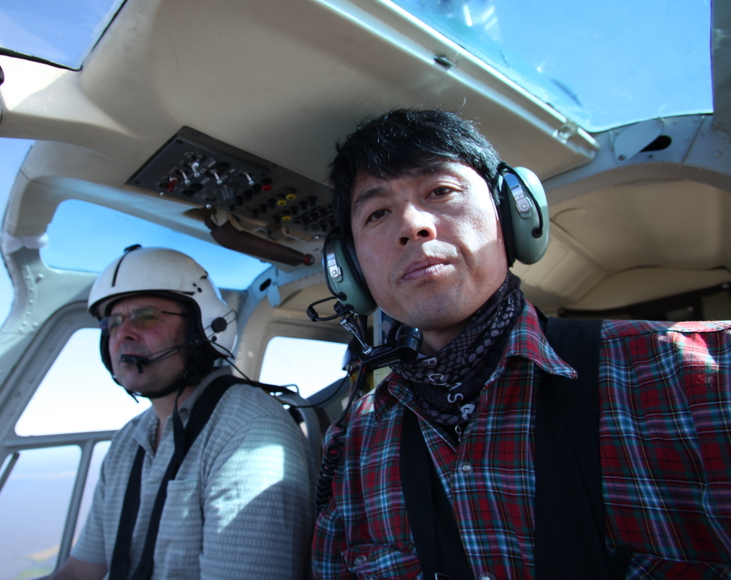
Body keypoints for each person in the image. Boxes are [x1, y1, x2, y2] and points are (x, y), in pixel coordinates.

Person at [312, 109, 731, 579]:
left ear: (511, 211)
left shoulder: (703, 377)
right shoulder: (354, 442)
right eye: (377, 214)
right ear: (349, 269)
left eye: (440, 191)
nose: (412, 225)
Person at [50, 246, 315, 580]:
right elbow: (79, 571)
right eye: (113, 322)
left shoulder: (248, 430)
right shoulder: (127, 441)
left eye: (146, 316)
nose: (123, 333)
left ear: (204, 328)